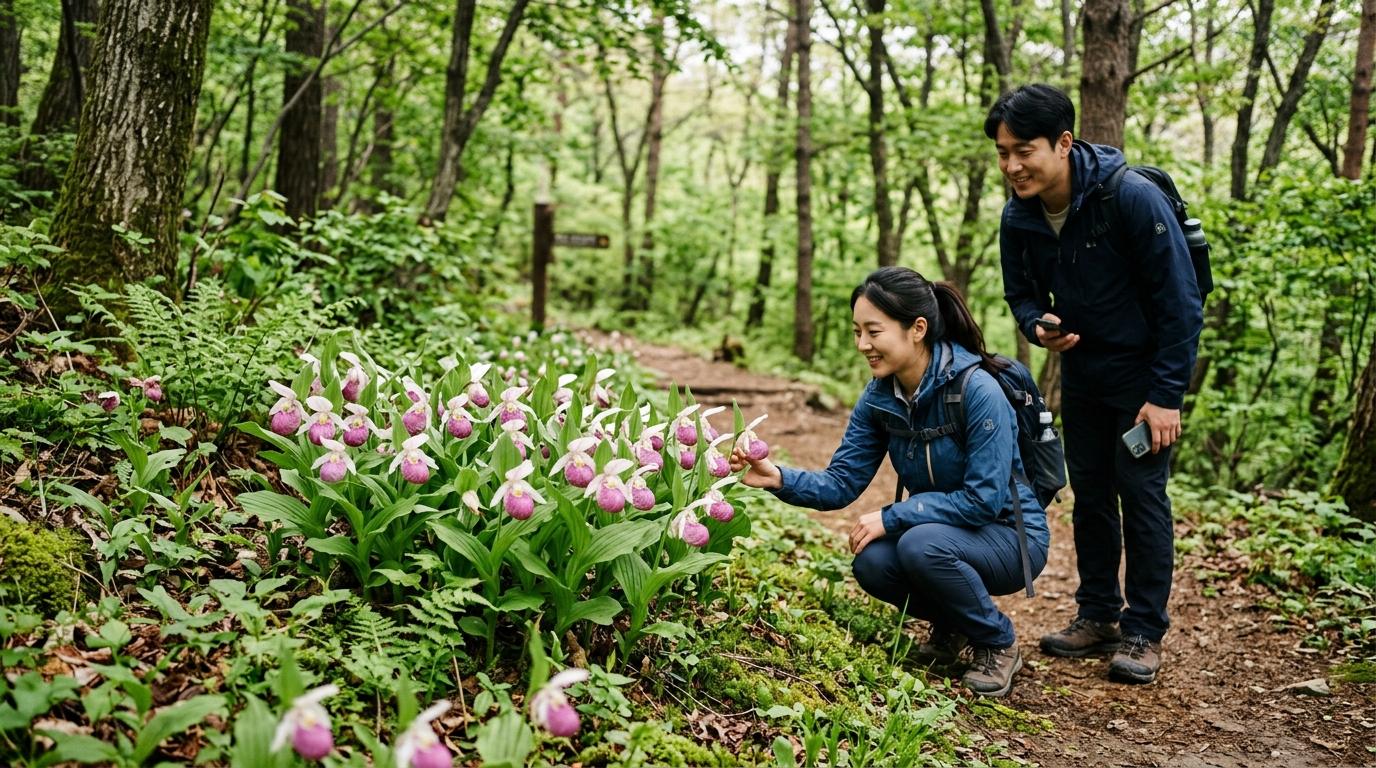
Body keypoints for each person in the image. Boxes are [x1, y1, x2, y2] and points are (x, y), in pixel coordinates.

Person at [729, 266, 1050, 698]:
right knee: (873, 561)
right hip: (944, 533)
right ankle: (954, 624)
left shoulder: (977, 390)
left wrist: (894, 515)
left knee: (918, 545)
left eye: (873, 332)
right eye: (857, 331)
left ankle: (997, 642)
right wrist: (778, 477)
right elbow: (841, 483)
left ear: (917, 329)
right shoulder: (879, 397)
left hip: (1010, 536)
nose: (863, 345)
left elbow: (984, 501)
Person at [986, 84, 1204, 684]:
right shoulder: (1019, 214)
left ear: (1063, 142)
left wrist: (1165, 396)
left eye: (1023, 151)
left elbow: (1181, 304)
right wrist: (1037, 324)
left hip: (1144, 377)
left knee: (1141, 495)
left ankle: (1143, 631)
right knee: (1089, 494)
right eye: (1003, 153)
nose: (1012, 166)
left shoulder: (1128, 198)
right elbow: (1020, 293)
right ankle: (1099, 614)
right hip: (1081, 373)